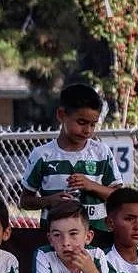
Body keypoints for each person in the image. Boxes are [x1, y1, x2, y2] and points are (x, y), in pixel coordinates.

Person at [20, 83, 122, 234]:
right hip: (56, 243)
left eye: (93, 125)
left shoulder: (101, 152)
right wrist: (49, 201)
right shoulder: (42, 155)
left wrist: (91, 185)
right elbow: (25, 201)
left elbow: (118, 197)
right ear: (61, 115)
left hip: (97, 238)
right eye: (81, 122)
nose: (87, 130)